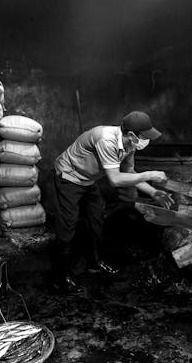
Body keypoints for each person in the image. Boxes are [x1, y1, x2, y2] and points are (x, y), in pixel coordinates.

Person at [52, 110, 174, 293]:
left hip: (88, 180)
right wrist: (150, 174)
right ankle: (61, 275)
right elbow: (115, 180)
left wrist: (153, 191)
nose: (147, 140)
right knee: (68, 223)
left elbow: (130, 172)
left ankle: (95, 262)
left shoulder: (130, 145)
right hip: (69, 176)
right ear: (132, 134)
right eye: (145, 136)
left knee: (96, 217)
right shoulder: (106, 139)